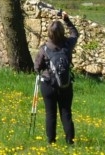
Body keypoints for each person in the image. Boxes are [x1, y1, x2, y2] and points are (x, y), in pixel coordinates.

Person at [33, 10, 79, 145]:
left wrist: (42, 68)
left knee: (50, 114)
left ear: (49, 33)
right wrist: (67, 20)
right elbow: (75, 33)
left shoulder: (44, 49)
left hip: (48, 84)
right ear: (62, 32)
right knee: (66, 113)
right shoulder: (68, 45)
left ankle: (51, 142)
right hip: (65, 84)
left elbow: (36, 67)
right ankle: (70, 141)